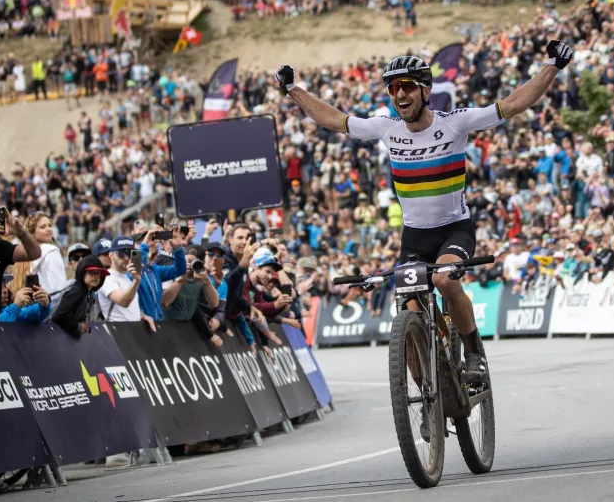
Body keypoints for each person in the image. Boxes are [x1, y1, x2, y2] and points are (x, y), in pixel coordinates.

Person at [274, 40, 575, 383]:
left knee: (444, 279)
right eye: (393, 87)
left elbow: (513, 104)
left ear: (425, 90)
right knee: (409, 306)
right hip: (415, 236)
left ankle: (473, 352)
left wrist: (552, 65)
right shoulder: (386, 128)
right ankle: (428, 390)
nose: (399, 93)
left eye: (407, 86)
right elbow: (332, 119)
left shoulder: (455, 124)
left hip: (454, 229)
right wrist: (293, 88)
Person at [161, 245, 223, 348]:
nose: (190, 264)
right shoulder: (171, 271)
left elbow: (214, 304)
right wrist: (182, 278)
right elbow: (164, 301)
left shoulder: (200, 278)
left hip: (184, 329)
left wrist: (207, 281)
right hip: (167, 326)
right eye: (187, 260)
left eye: (194, 262)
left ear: (201, 264)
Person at [52, 255, 108, 336]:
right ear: (82, 272)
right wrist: (77, 327)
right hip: (56, 336)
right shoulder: (77, 291)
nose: (96, 276)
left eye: (98, 273)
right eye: (92, 272)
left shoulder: (88, 293)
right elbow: (58, 316)